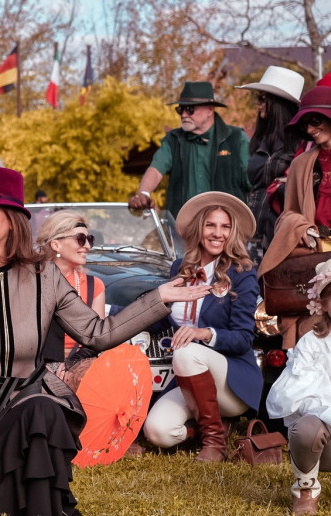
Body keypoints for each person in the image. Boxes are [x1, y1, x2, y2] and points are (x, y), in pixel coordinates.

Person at [0, 166, 201, 516]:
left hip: (32, 403)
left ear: (12, 219)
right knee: (42, 409)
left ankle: (17, 503)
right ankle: (4, 495)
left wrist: (159, 297)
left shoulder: (45, 275)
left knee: (44, 407)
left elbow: (96, 333)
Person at [139, 192, 262, 461]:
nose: (217, 233)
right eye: (210, 225)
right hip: (190, 380)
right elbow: (161, 317)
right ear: (199, 229)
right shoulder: (180, 268)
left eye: (225, 226)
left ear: (232, 232)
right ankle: (208, 428)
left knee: (186, 352)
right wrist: (111, 314)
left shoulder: (242, 272)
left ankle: (215, 444)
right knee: (157, 432)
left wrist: (204, 333)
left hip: (231, 381)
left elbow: (243, 338)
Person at [258, 86, 331, 348]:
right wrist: (300, 227)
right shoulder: (301, 164)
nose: (310, 130)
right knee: (310, 335)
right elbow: (287, 214)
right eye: (305, 125)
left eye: (316, 120)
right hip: (313, 255)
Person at [265, 262, 331, 515]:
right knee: (305, 428)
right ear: (323, 303)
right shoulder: (311, 343)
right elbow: (300, 395)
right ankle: (306, 488)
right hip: (327, 435)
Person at [129, 81, 250, 218]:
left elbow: (253, 182)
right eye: (181, 109)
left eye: (190, 109)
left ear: (210, 110)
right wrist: (143, 194)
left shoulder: (237, 139)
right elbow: (156, 169)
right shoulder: (173, 139)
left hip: (226, 226)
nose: (184, 115)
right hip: (183, 226)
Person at [235, 66, 305, 260]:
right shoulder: (261, 140)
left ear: (277, 103)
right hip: (252, 233)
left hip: (281, 236)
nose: (257, 104)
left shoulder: (302, 143)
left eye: (261, 98)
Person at [36, 210, 105, 360]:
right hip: (38, 364)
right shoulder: (31, 281)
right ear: (56, 245)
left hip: (82, 363)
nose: (87, 246)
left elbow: (97, 339)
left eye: (89, 239)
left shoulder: (94, 285)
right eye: (80, 239)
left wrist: (73, 364)